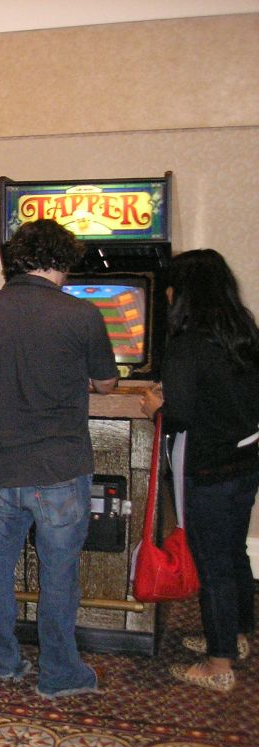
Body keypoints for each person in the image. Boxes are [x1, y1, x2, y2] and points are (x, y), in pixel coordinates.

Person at [0, 218, 118, 698]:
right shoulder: (81, 314)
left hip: (1, 467)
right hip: (59, 469)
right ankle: (59, 672)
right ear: (60, 261)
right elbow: (107, 383)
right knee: (59, 576)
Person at [140, 249, 259, 693]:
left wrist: (156, 408)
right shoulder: (241, 330)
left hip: (208, 468)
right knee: (233, 553)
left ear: (184, 292)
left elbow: (182, 415)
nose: (167, 295)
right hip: (246, 459)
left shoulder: (189, 342)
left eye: (171, 287)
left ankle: (219, 663)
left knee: (212, 564)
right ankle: (236, 635)